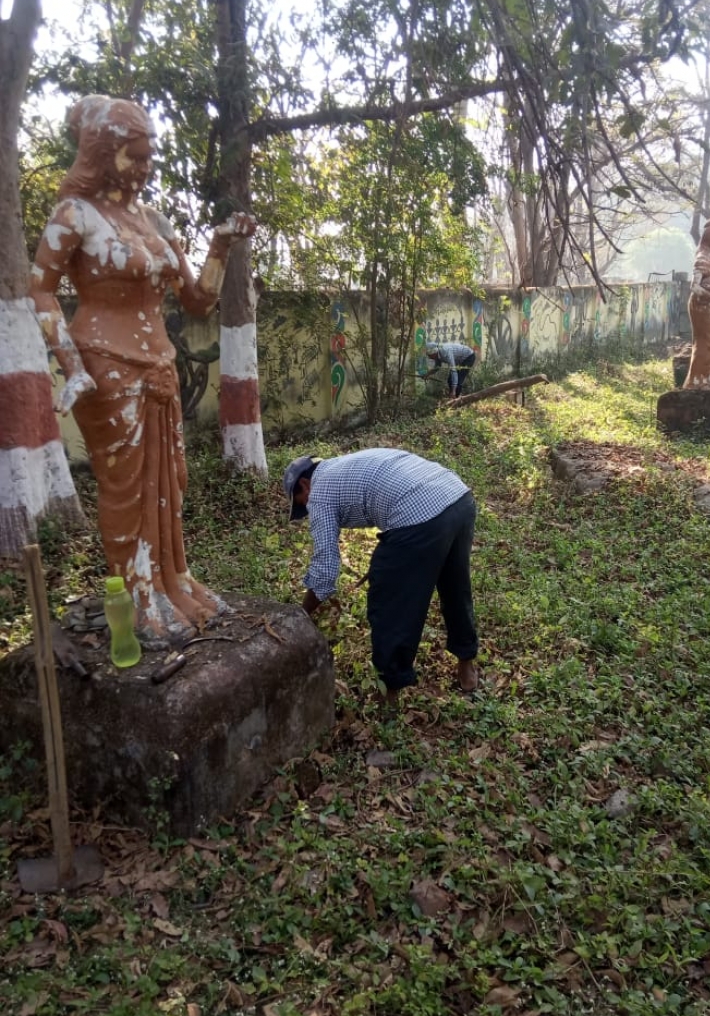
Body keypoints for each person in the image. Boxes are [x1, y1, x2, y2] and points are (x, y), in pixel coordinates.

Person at [29, 94, 256, 643]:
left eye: (149, 155)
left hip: (159, 363)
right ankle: (136, 592)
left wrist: (220, 246)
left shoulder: (153, 221)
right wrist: (69, 363)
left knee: (168, 483)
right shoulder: (75, 216)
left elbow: (200, 298)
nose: (145, 167)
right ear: (103, 153)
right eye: (135, 154)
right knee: (127, 486)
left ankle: (173, 581)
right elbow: (39, 290)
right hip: (105, 366)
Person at [283, 448, 480, 703]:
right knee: (455, 586)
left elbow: (325, 570)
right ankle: (467, 666)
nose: (307, 511)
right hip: (458, 497)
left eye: (302, 504)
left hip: (419, 513)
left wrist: (302, 613)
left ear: (304, 484)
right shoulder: (344, 465)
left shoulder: (318, 494)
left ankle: (390, 692)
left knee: (389, 603)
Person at [683, 218, 710, 389]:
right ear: (709, 236)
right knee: (705, 341)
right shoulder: (702, 258)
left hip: (709, 304)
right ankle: (697, 380)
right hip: (700, 304)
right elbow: (694, 287)